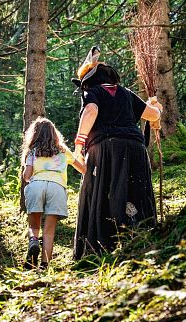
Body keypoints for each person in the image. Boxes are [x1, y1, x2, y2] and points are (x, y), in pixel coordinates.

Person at [70, 46, 163, 259]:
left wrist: (78, 144)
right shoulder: (127, 94)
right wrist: (155, 108)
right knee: (135, 192)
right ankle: (141, 238)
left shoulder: (91, 92)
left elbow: (91, 110)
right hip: (135, 150)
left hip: (105, 149)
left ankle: (99, 249)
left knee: (103, 192)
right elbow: (153, 115)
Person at [22, 117, 86, 269]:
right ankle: (45, 265)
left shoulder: (32, 152)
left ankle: (33, 242)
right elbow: (83, 169)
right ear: (54, 133)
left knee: (34, 227)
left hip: (36, 186)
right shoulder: (63, 151)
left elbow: (27, 176)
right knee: (49, 231)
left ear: (35, 134)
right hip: (57, 188)